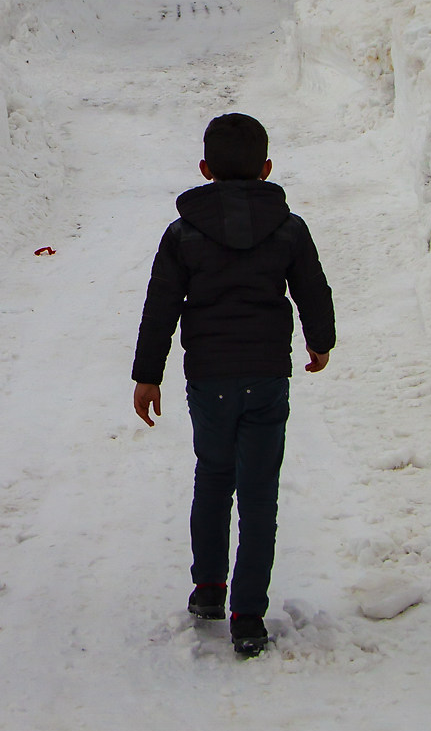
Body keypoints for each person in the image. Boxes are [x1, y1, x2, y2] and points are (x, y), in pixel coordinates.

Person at [131, 112, 335, 658]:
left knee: (214, 476)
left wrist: (147, 374)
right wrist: (320, 341)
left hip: (209, 378)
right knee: (260, 492)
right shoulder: (289, 228)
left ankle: (208, 587)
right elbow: (312, 289)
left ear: (204, 170)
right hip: (267, 376)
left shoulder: (183, 232)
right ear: (267, 169)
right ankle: (248, 615)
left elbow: (161, 307)